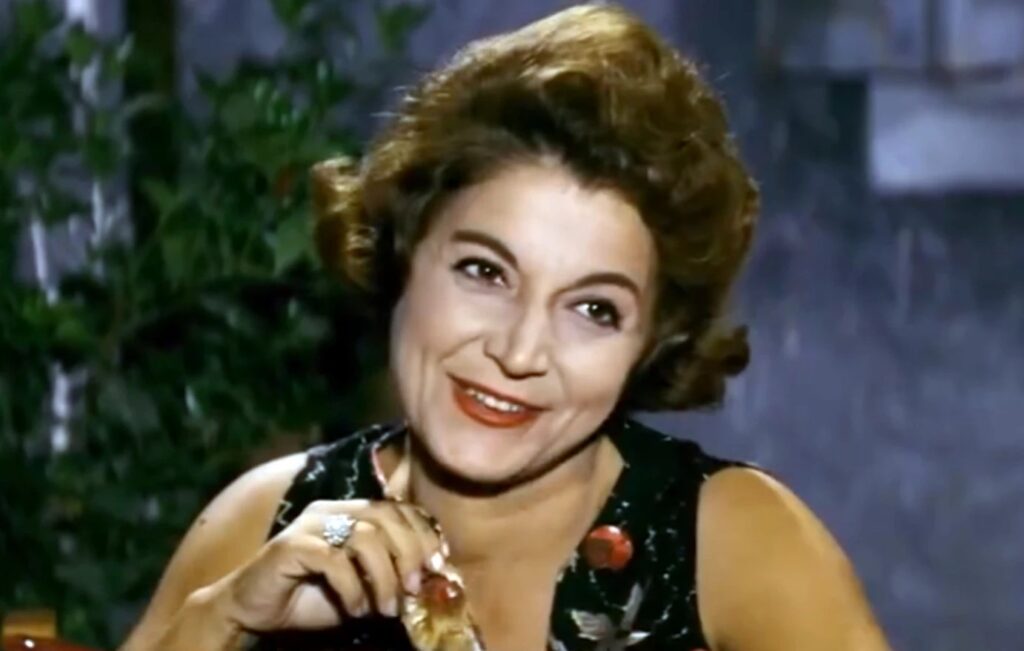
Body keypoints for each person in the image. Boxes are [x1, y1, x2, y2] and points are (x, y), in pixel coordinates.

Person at [120, 4, 892, 651]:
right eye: (485, 271)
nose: (519, 352)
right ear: (404, 247)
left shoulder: (731, 539)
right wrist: (222, 618)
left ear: (651, 343)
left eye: (594, 309)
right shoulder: (264, 519)